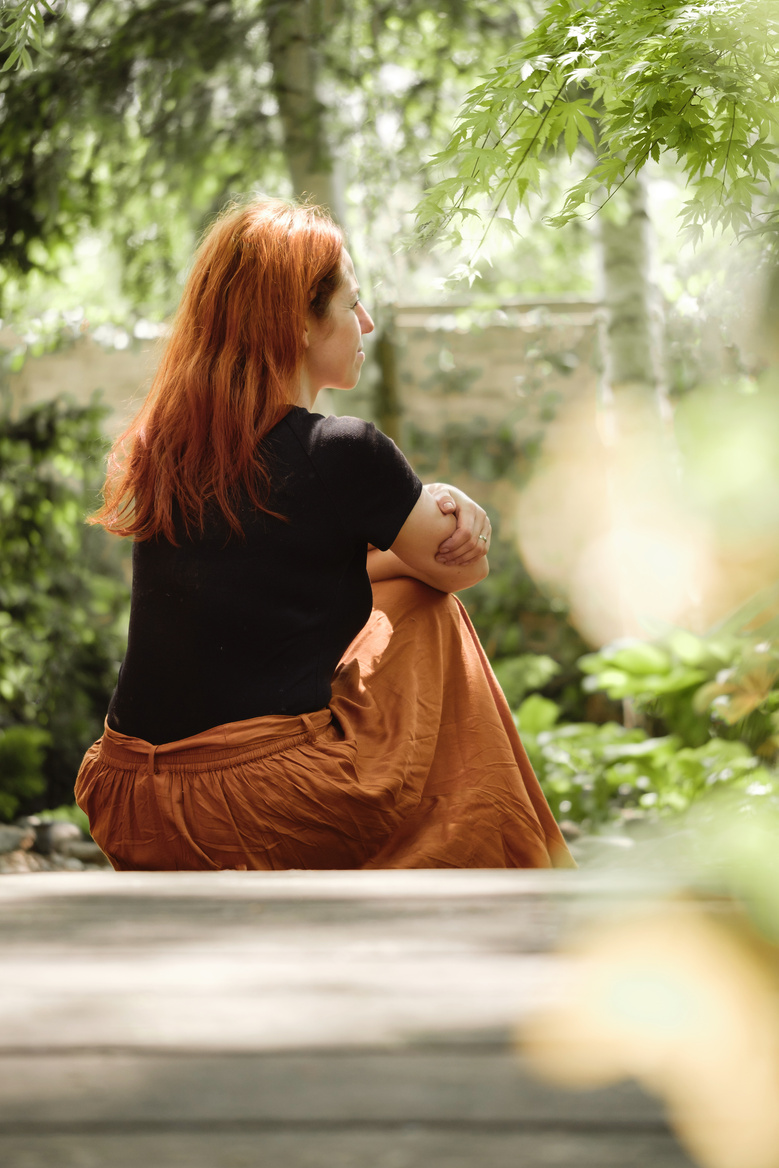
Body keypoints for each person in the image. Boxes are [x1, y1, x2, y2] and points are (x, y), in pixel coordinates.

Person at [75, 198, 573, 871]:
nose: (365, 323)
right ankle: (503, 862)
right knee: (432, 612)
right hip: (252, 807)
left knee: (403, 594)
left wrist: (407, 528)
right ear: (299, 323)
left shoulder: (171, 448)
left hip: (131, 801)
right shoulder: (342, 450)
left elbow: (272, 581)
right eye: (350, 304)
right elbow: (458, 570)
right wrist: (438, 505)